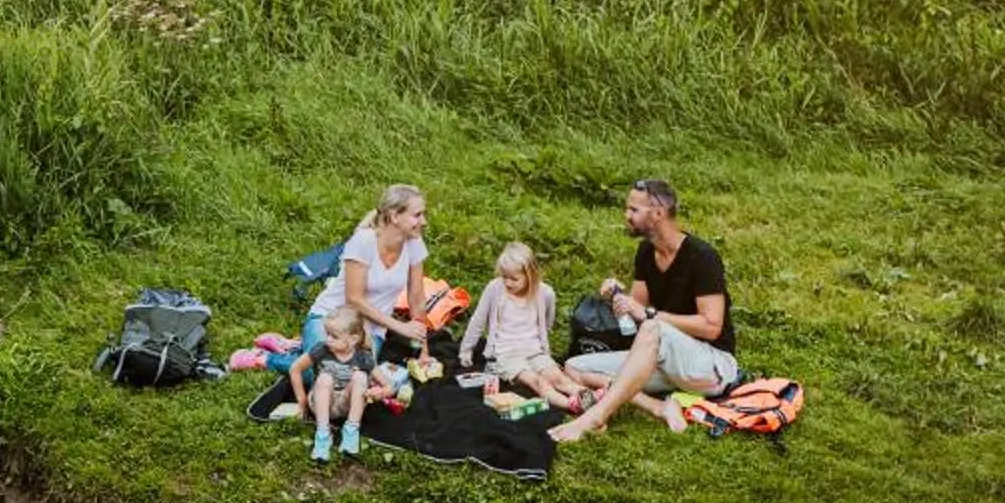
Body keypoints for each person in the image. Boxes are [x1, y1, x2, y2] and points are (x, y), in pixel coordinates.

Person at [550, 179, 739, 443]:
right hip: (665, 362)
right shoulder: (645, 252)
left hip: (711, 365)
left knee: (653, 328)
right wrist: (617, 297)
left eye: (634, 210)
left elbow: (711, 326)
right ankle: (659, 407)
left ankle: (595, 418)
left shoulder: (702, 257)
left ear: (658, 213)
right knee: (574, 368)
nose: (626, 216)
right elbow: (633, 316)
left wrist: (650, 316)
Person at [302, 183, 432, 362]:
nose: (424, 222)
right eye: (417, 215)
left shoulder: (414, 243)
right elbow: (354, 300)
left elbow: (417, 300)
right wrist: (399, 326)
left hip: (371, 331)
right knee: (321, 369)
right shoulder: (364, 241)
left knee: (354, 375)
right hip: (330, 319)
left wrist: (423, 352)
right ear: (394, 216)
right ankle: (269, 358)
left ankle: (303, 350)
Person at [459, 241, 584, 414]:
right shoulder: (495, 289)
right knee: (538, 382)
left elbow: (547, 322)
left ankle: (591, 397)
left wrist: (540, 344)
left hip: (534, 351)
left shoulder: (545, 293)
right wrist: (466, 349)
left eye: (514, 279)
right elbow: (477, 321)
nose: (508, 283)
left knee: (558, 378)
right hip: (507, 354)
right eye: (505, 277)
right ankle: (571, 405)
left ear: (529, 275)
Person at [287, 304, 393, 462]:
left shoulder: (362, 357)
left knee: (361, 377)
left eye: (334, 336)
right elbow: (295, 369)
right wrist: (302, 402)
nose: (328, 339)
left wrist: (380, 393)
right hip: (321, 404)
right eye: (327, 334)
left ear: (353, 339)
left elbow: (389, 386)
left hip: (347, 406)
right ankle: (323, 434)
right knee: (325, 378)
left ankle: (351, 430)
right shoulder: (322, 350)